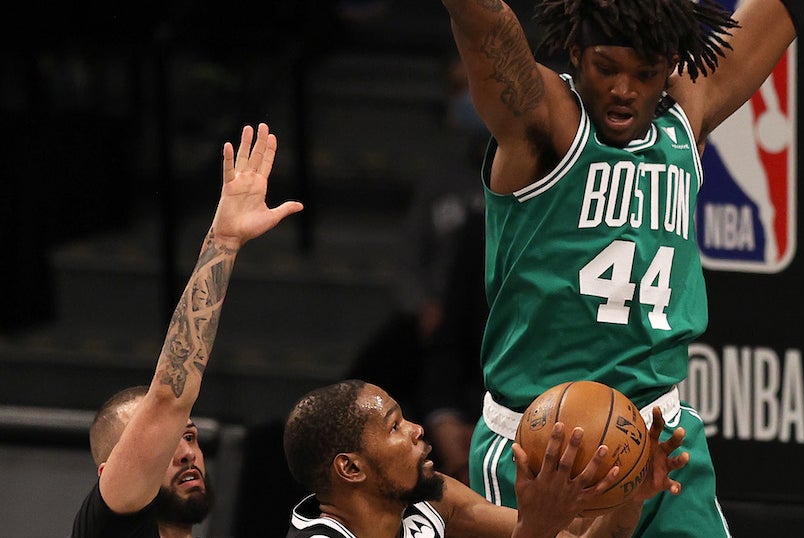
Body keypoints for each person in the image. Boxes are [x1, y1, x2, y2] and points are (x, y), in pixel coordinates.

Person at [438, 0, 804, 536]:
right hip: (546, 445)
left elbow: (781, 13)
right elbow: (481, 23)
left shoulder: (686, 114)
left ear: (668, 67)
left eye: (644, 74)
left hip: (660, 436)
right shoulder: (546, 121)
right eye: (606, 67)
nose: (624, 89)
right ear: (576, 53)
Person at [71, 122, 304, 538]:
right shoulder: (105, 525)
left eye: (190, 437)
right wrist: (225, 241)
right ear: (110, 475)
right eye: (165, 441)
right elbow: (167, 398)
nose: (185, 453)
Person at [282, 379, 689, 538]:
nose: (416, 429)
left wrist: (629, 493)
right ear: (350, 468)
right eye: (394, 427)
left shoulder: (429, 500)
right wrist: (536, 527)